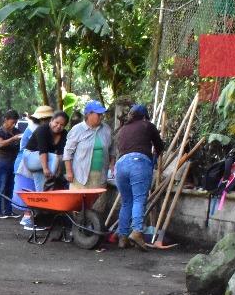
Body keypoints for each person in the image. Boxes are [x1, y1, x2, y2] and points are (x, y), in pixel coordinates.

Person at [113, 103, 166, 250]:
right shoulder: (147, 125)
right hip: (138, 164)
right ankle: (137, 231)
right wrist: (154, 157)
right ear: (144, 116)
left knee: (126, 202)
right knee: (139, 199)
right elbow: (159, 147)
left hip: (121, 165)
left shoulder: (123, 129)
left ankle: (122, 237)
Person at [15, 109, 68, 231]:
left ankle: (38, 219)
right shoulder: (42, 130)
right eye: (57, 122)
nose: (58, 126)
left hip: (48, 161)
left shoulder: (64, 134)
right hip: (32, 157)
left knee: (44, 190)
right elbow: (43, 151)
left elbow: (62, 153)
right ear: (51, 120)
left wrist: (59, 173)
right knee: (52, 159)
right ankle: (36, 221)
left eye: (62, 125)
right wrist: (45, 169)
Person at [63, 101, 112, 190]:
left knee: (97, 202)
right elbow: (67, 152)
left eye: (102, 114)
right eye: (99, 114)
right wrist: (69, 172)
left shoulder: (106, 129)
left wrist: (112, 165)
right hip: (80, 175)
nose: (101, 116)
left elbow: (111, 150)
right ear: (89, 114)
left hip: (100, 176)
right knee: (78, 202)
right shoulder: (77, 129)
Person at [0, 110, 22, 218]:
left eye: (15, 122)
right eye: (12, 122)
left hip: (13, 162)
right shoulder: (0, 132)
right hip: (2, 162)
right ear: (6, 119)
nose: (13, 124)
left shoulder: (17, 131)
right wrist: (13, 139)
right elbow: (1, 143)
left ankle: (8, 210)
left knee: (10, 187)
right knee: (0, 186)